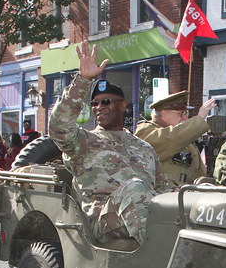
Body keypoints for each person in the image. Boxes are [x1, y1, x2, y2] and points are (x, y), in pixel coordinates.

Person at [48, 39, 171, 243]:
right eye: (95, 103)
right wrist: (83, 81)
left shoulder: (144, 148)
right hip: (102, 222)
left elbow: (161, 189)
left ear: (123, 106)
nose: (99, 107)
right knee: (135, 189)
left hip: (141, 214)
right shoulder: (84, 142)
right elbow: (58, 127)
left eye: (106, 101)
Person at [134, 90, 216, 185]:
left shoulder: (185, 137)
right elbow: (169, 139)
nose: (186, 118)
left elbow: (200, 171)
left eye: (186, 114)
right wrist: (198, 119)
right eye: (181, 113)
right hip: (161, 196)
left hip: (186, 195)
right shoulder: (145, 131)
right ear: (164, 113)